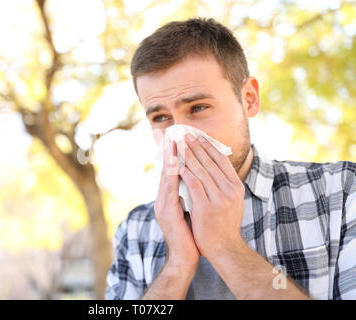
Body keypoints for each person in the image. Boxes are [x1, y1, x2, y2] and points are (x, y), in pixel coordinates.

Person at [104, 18, 356, 300]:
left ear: (249, 99)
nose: (181, 137)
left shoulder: (341, 194)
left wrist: (225, 247)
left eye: (198, 107)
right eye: (161, 117)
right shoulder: (136, 229)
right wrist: (176, 266)